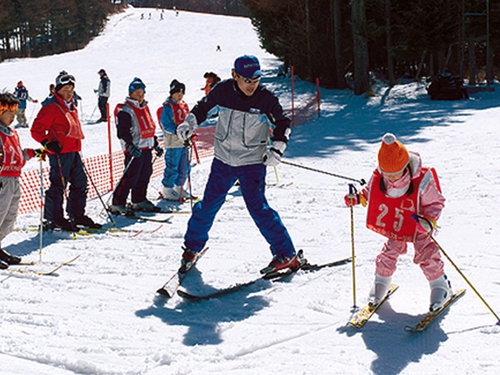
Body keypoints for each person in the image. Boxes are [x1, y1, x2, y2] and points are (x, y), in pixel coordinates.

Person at [175, 54, 302, 274]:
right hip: (223, 161)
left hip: (252, 163)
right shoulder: (223, 91)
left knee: (258, 208)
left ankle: (286, 253)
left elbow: (283, 123)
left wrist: (277, 149)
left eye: (256, 80)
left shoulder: (266, 99)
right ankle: (192, 248)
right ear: (235, 76)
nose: (252, 85)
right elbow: (202, 108)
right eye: (247, 80)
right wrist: (189, 122)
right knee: (208, 206)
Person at [344, 133, 453, 312]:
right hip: (396, 223)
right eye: (387, 174)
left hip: (418, 224)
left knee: (426, 253)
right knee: (389, 251)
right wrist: (358, 198)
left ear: (405, 167)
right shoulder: (380, 176)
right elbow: (370, 192)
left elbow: (436, 202)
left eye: (395, 174)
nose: (391, 178)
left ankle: (440, 286)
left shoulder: (422, 180)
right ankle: (381, 283)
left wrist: (429, 221)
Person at [31, 71, 101, 231]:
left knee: (80, 183)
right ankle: (53, 218)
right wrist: (47, 144)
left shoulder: (71, 107)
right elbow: (36, 130)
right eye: (65, 90)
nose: (69, 93)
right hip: (60, 153)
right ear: (58, 90)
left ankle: (77, 215)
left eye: (71, 89)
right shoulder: (51, 107)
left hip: (74, 151)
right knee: (58, 186)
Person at [0, 92, 45, 268]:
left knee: (9, 220)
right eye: (8, 113)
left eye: (14, 113)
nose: (12, 117)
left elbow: (17, 155)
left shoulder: (13, 133)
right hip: (2, 181)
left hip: (14, 180)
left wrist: (32, 153)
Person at [109, 77, 163, 215]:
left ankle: (139, 200)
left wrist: (155, 144)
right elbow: (122, 132)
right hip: (135, 149)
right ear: (131, 93)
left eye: (142, 93)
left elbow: (149, 127)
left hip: (147, 148)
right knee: (131, 176)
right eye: (137, 93)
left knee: (144, 175)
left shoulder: (144, 107)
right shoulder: (126, 110)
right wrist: (130, 146)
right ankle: (117, 202)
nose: (140, 96)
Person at [158, 79, 192, 201]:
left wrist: (191, 132)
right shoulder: (167, 107)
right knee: (173, 165)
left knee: (185, 166)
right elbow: (165, 124)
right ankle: (167, 189)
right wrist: (177, 131)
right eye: (177, 92)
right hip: (173, 142)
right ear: (172, 93)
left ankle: (179, 187)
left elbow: (190, 121)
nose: (180, 95)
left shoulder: (183, 105)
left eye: (182, 93)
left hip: (184, 142)